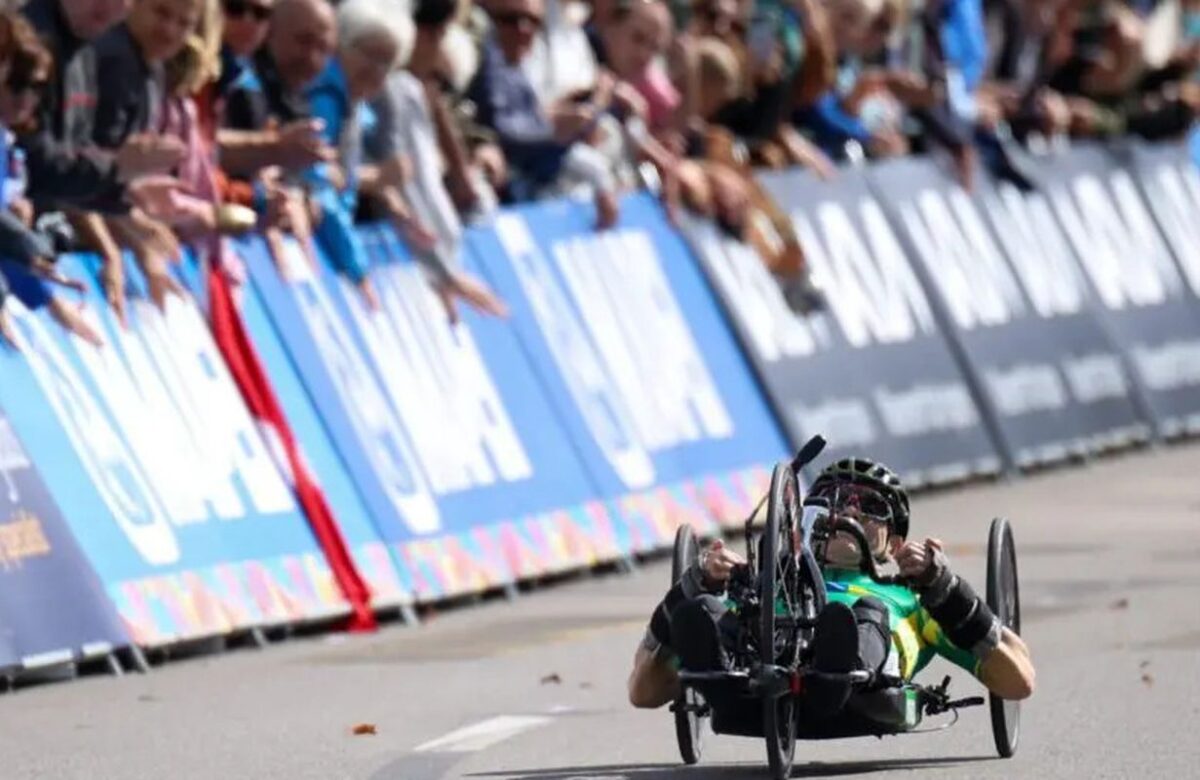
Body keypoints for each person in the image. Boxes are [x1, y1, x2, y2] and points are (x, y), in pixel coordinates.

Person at [628, 457, 1036, 721]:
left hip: (861, 676)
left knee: (863, 614)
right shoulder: (761, 589)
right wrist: (692, 586)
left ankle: (836, 671)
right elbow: (642, 691)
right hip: (753, 672)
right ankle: (722, 683)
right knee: (703, 613)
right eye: (832, 500)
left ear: (894, 545)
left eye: (870, 506)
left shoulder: (914, 600)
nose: (848, 510)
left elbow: (1019, 680)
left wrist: (948, 590)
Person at [363, 0, 508, 323]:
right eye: (440, 36)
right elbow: (407, 188)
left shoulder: (410, 89)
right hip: (406, 259)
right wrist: (444, 272)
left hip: (427, 261)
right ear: (423, 34)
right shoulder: (393, 89)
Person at [467, 0, 621, 226]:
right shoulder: (485, 59)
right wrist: (553, 128)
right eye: (511, 20)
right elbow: (503, 130)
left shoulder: (516, 72)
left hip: (533, 193)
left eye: (533, 22)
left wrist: (581, 118)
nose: (523, 30)